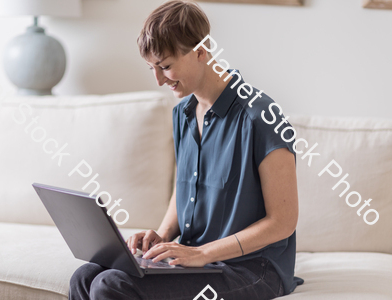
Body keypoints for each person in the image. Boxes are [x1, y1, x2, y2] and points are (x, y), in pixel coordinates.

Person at [69, 1, 304, 299]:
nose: (158, 79)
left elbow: (283, 222)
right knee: (85, 275)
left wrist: (204, 252)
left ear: (201, 52)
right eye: (152, 67)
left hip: (254, 268)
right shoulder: (183, 113)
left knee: (111, 285)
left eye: (165, 66)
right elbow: (186, 189)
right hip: (197, 259)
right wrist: (163, 236)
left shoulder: (261, 116)